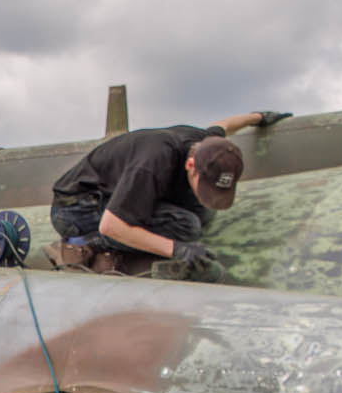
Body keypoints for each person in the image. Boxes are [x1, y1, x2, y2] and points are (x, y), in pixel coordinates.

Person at [48, 109, 291, 280]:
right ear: (191, 165)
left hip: (114, 189)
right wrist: (177, 250)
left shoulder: (207, 144)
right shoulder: (153, 164)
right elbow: (111, 225)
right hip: (78, 208)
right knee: (187, 227)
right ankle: (88, 246)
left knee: (204, 212)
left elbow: (224, 126)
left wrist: (258, 117)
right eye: (205, 184)